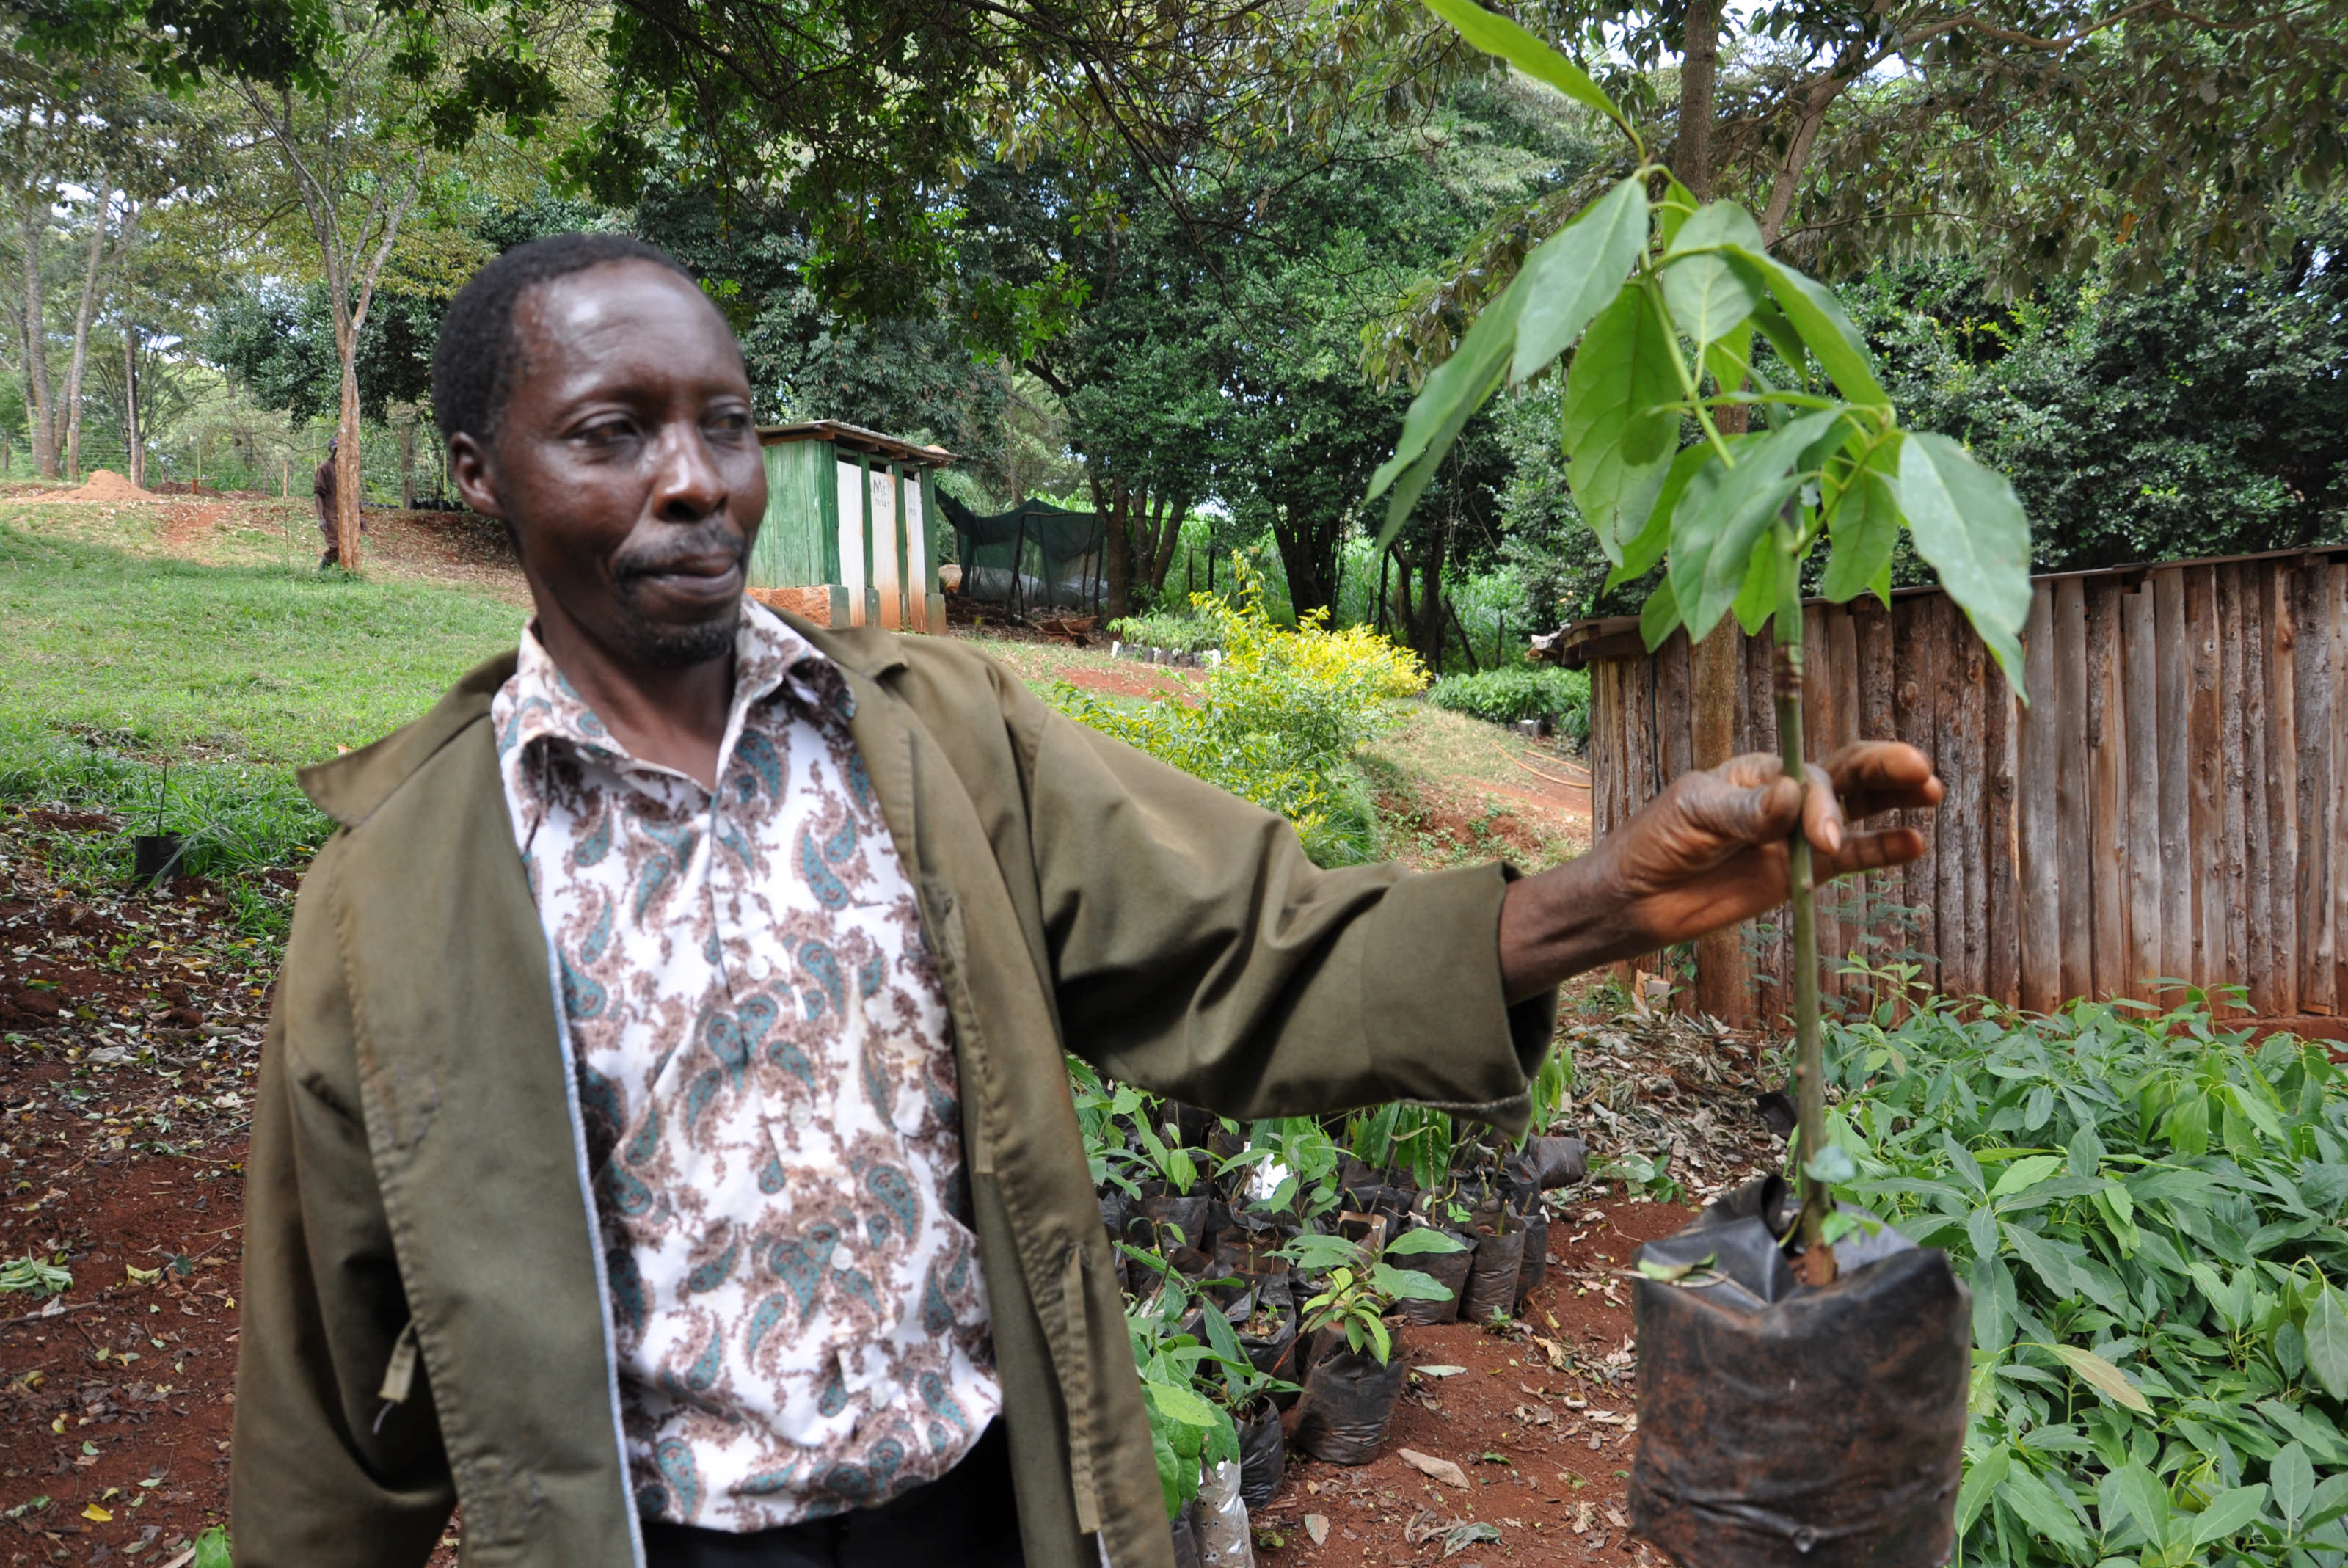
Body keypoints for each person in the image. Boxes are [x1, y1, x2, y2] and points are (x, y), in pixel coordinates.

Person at [230, 234, 1943, 1568]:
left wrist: (1615, 899)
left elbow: (1257, 952)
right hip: (655, 1535)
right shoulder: (400, 889)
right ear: (480, 470)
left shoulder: (930, 743)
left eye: (724, 423)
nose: (695, 479)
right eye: (613, 433)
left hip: (984, 1511)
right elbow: (327, 1375)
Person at [314, 435, 340, 569]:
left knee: (347, 545)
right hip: (330, 514)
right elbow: (318, 493)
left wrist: (359, 516)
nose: (338, 452)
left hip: (344, 514)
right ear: (331, 450)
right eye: (335, 449)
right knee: (335, 546)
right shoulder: (324, 468)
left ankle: (340, 573)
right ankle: (322, 572)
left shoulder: (346, 468)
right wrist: (321, 518)